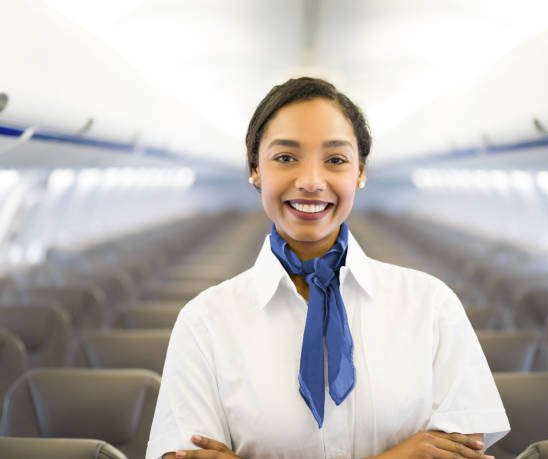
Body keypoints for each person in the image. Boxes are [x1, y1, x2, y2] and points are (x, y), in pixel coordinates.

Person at [146, 77, 510, 459]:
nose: (310, 182)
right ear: (255, 168)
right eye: (286, 158)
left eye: (335, 160)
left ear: (360, 172)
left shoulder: (432, 306)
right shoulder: (204, 323)